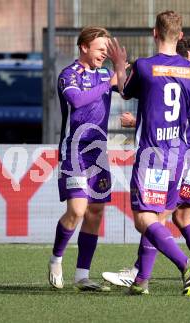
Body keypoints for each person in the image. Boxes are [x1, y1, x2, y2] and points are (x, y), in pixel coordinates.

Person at [102, 37, 190, 293]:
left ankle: (148, 272)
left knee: (154, 217)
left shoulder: (181, 78)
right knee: (174, 216)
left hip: (186, 156)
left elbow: (176, 119)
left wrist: (136, 120)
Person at [48, 26, 127, 291]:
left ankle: (82, 275)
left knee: (95, 212)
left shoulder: (106, 72)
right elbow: (77, 100)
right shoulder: (69, 74)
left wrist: (120, 68)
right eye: (100, 49)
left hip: (98, 153)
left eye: (107, 51)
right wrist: (109, 81)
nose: (104, 54)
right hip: (74, 151)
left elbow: (126, 90)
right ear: (84, 47)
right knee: (77, 211)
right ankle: (56, 259)